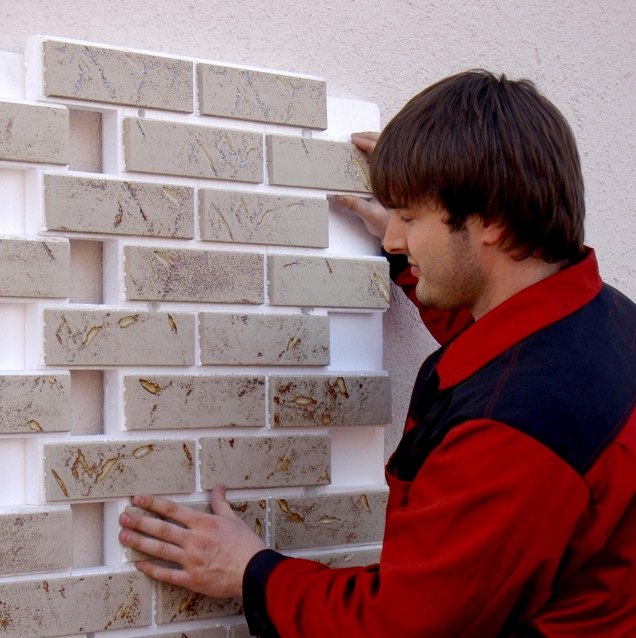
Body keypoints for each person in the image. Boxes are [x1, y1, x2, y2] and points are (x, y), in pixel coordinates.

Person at [118, 70, 636, 637]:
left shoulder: (514, 430)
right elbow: (497, 341)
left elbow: (402, 627)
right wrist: (412, 255)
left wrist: (250, 572)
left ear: (490, 220)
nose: (391, 237)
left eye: (410, 219)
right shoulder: (602, 323)